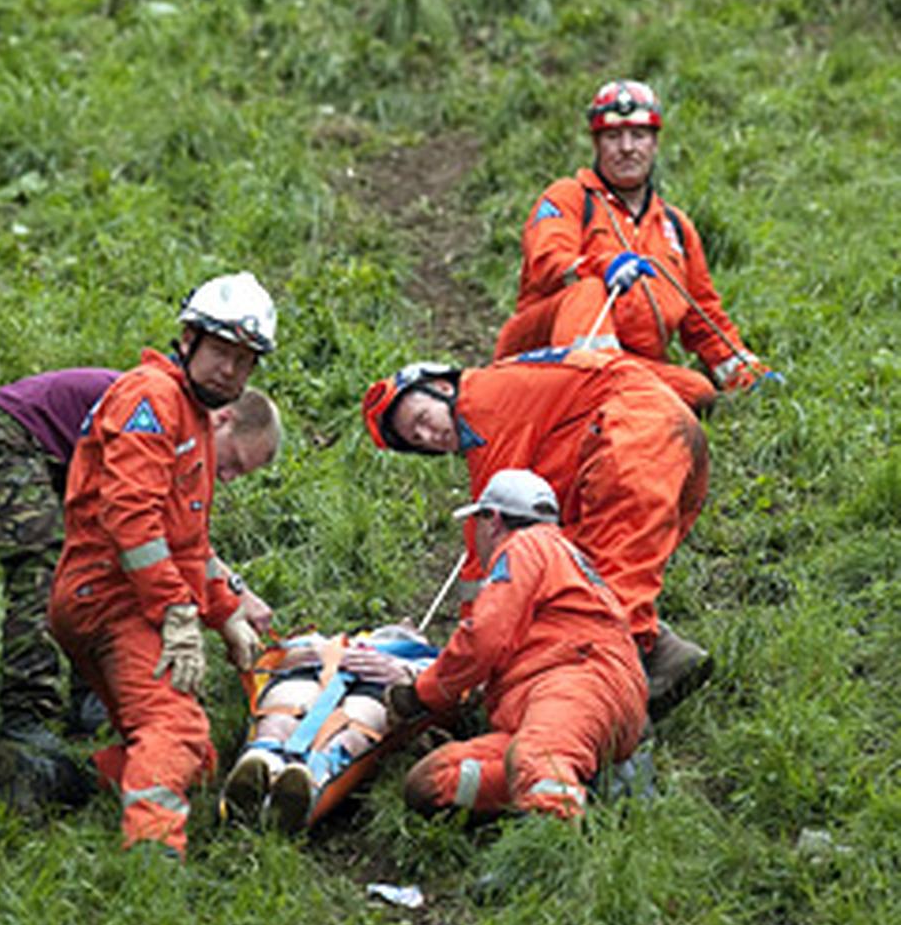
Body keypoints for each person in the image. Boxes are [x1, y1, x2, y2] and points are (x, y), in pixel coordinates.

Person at [49, 272, 280, 859]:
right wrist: (178, 614)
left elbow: (186, 548)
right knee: (176, 730)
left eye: (244, 361)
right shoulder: (152, 398)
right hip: (111, 599)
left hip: (116, 601)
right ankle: (153, 858)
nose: (230, 370)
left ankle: (61, 779)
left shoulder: (195, 421)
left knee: (194, 759)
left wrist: (226, 615)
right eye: (222, 352)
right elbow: (131, 519)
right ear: (189, 339)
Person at [363, 345, 712, 715]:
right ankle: (662, 658)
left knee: (602, 601)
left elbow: (496, 537)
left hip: (633, 439)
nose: (427, 435)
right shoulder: (510, 394)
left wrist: (468, 646)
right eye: (417, 438)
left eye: (422, 417)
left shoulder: (482, 405)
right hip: (656, 433)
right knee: (573, 572)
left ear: (443, 388)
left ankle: (608, 707)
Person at [493, 78, 782, 411]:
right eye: (613, 137)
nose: (627, 147)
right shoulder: (568, 196)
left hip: (627, 364)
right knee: (587, 291)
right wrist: (603, 266)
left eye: (639, 135)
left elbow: (705, 318)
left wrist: (749, 374)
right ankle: (590, 402)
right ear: (597, 145)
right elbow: (547, 263)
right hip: (541, 354)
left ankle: (618, 396)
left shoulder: (676, 227)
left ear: (655, 144)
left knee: (698, 391)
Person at [385, 469, 648, 822]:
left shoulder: (524, 547)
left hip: (578, 682)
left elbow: (483, 637)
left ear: (491, 520)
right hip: (571, 694)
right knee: (431, 782)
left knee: (537, 756)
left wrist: (422, 693)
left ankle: (552, 849)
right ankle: (584, 785)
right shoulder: (560, 554)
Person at [0, 367, 120, 811]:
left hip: (44, 461)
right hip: (1, 446)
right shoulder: (160, 414)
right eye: (233, 463)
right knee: (42, 567)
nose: (227, 476)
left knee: (96, 567)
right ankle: (25, 717)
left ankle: (88, 699)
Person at [220, 623, 438, 834]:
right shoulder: (325, 641)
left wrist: (406, 673)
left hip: (381, 687)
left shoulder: (427, 658)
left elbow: (443, 688)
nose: (407, 623)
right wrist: (315, 654)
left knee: (352, 729)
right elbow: (279, 659)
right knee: (283, 715)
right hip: (314, 670)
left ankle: (305, 784)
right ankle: (261, 763)